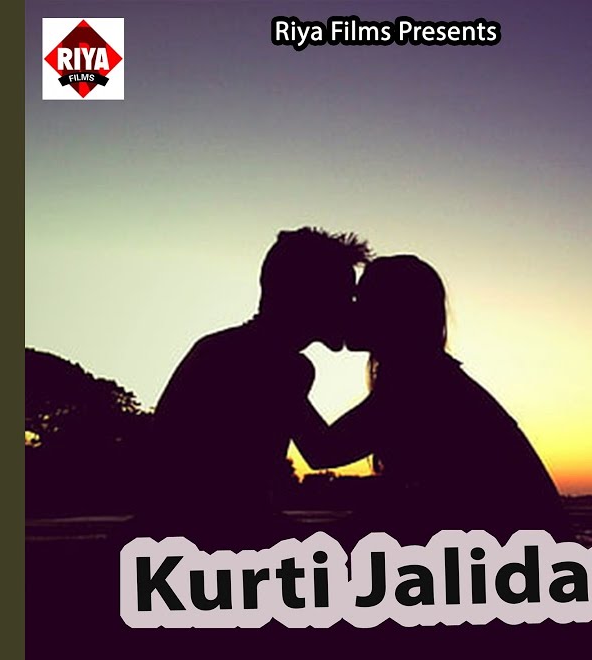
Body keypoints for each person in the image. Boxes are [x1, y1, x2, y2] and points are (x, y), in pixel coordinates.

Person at [293, 255, 569, 544]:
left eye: (362, 299)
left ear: (392, 313)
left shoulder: (419, 385)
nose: (351, 308)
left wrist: (285, 373)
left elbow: (323, 451)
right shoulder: (432, 377)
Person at [137, 227, 372, 549]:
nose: (351, 306)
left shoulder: (222, 348)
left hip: (178, 529)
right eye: (344, 294)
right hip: (209, 538)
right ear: (310, 298)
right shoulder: (282, 365)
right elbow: (321, 452)